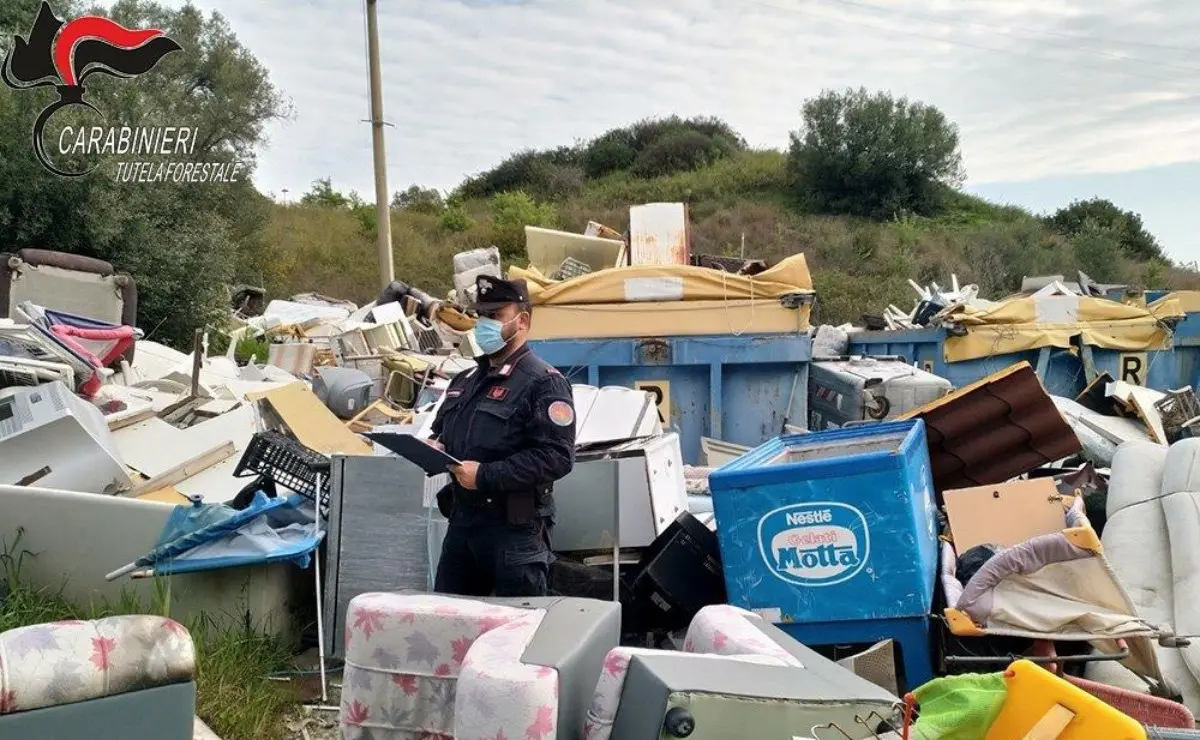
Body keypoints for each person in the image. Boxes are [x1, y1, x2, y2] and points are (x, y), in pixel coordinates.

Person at [425, 275, 576, 597]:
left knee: (517, 633)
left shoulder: (544, 382)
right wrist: (432, 448)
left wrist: (485, 475)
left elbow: (557, 457)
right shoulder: (465, 381)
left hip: (514, 532)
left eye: (495, 317)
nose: (484, 325)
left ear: (522, 321)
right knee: (450, 622)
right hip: (463, 524)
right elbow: (442, 433)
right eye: (481, 316)